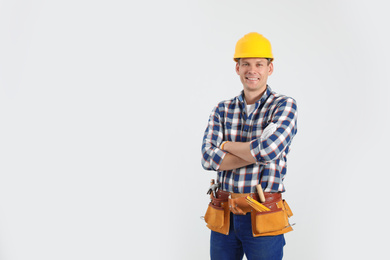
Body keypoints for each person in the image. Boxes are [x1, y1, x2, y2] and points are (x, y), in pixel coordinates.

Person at [201, 32, 298, 260]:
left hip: (263, 212)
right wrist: (259, 151)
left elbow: (270, 150)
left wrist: (225, 145)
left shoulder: (284, 105)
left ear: (269, 68)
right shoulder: (222, 109)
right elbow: (207, 158)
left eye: (259, 64)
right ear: (237, 68)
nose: (251, 70)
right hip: (223, 215)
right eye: (245, 64)